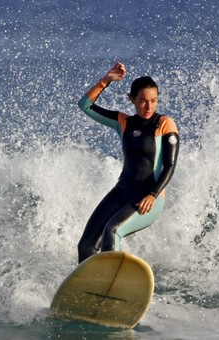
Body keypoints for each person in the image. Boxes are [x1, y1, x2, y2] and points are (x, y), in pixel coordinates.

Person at [76, 62, 179, 264]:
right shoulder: (123, 122)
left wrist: (152, 194)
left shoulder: (165, 124)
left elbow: (169, 165)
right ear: (132, 99)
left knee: (112, 231)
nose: (148, 106)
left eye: (153, 101)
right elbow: (85, 105)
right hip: (122, 191)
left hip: (149, 196)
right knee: (85, 245)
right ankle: (89, 290)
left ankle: (112, 286)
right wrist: (106, 81)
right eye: (142, 101)